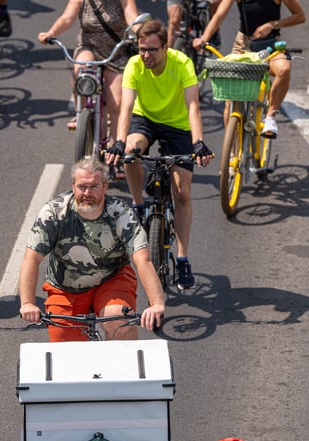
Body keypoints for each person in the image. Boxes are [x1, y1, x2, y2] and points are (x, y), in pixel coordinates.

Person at [105, 18, 212, 290]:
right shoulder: (134, 65)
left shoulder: (182, 64)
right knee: (131, 151)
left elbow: (193, 108)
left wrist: (198, 142)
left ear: (165, 47)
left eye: (152, 50)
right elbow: (127, 108)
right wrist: (119, 141)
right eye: (142, 49)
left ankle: (183, 257)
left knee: (182, 192)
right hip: (146, 119)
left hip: (178, 126)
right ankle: (139, 204)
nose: (146, 55)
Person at [19, 157, 165, 342]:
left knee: (119, 321)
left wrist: (156, 303)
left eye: (94, 186)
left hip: (111, 279)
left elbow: (142, 259)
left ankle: (121, 369)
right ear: (73, 186)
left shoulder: (120, 213)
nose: (87, 193)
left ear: (105, 187)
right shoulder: (54, 212)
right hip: (66, 287)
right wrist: (28, 303)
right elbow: (31, 258)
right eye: (82, 187)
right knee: (65, 349)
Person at [37, 0, 138, 179]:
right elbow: (67, 17)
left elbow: (132, 16)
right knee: (81, 70)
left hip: (116, 50)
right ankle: (82, 110)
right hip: (88, 46)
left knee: (117, 104)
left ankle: (116, 156)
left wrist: (142, 33)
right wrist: (51, 33)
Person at [194, 0, 304, 137]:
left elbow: (300, 16)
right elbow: (219, 15)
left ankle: (270, 117)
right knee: (230, 104)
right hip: (243, 45)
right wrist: (203, 39)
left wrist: (272, 25)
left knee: (284, 69)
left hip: (269, 46)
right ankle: (232, 150)